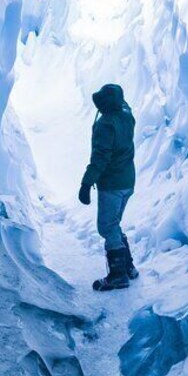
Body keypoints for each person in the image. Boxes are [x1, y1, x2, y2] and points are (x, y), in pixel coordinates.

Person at [79, 83, 139, 291]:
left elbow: (100, 158)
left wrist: (86, 183)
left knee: (107, 226)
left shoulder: (106, 125)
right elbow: (124, 103)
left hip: (112, 184)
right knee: (114, 223)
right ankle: (128, 266)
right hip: (128, 181)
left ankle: (117, 275)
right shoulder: (126, 114)